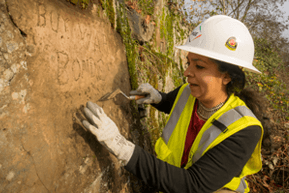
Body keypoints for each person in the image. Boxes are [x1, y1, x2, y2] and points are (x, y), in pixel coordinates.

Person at [81, 15, 264, 193]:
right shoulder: (188, 92)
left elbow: (193, 185)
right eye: (188, 62)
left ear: (226, 77)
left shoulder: (244, 130)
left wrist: (120, 145)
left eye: (199, 66)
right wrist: (158, 98)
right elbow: (172, 103)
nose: (187, 72)